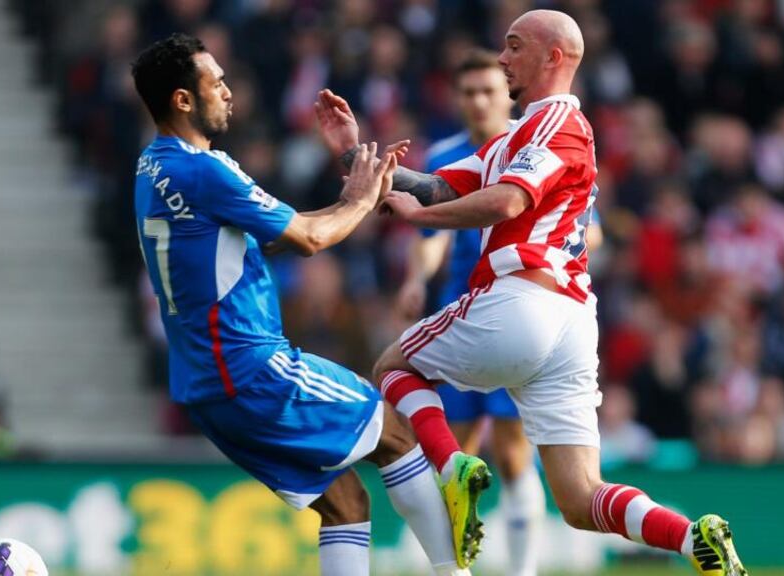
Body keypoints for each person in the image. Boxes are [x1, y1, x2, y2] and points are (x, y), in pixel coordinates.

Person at [316, 10, 749, 576]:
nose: (502, 59)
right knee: (579, 497)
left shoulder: (559, 124)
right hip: (568, 323)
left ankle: (453, 469)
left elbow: (505, 203)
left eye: (513, 47)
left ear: (554, 58)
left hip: (521, 298)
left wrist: (421, 216)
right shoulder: (515, 136)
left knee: (393, 366)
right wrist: (355, 156)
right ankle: (695, 540)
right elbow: (436, 182)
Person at [130, 34, 470, 576]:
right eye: (215, 82)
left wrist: (352, 185)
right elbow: (308, 239)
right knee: (397, 433)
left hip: (205, 385)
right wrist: (360, 199)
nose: (228, 90)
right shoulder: (204, 170)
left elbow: (276, 235)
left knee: (343, 505)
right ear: (183, 100)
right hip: (251, 368)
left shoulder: (153, 168)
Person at [394, 49, 545, 576]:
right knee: (457, 455)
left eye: (488, 89)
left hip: (516, 313)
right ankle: (453, 565)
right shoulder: (447, 156)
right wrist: (417, 277)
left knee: (511, 453)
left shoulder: (534, 147)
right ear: (457, 99)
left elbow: (581, 226)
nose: (479, 100)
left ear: (507, 93)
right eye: (468, 92)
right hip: (460, 312)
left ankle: (521, 569)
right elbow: (431, 234)